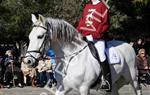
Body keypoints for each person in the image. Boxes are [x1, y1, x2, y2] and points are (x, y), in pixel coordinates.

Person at [76, 0, 111, 90]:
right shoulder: (87, 6)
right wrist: (78, 32)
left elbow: (105, 23)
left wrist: (95, 35)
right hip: (85, 37)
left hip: (98, 38)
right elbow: (82, 21)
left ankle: (107, 81)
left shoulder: (103, 6)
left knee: (101, 54)